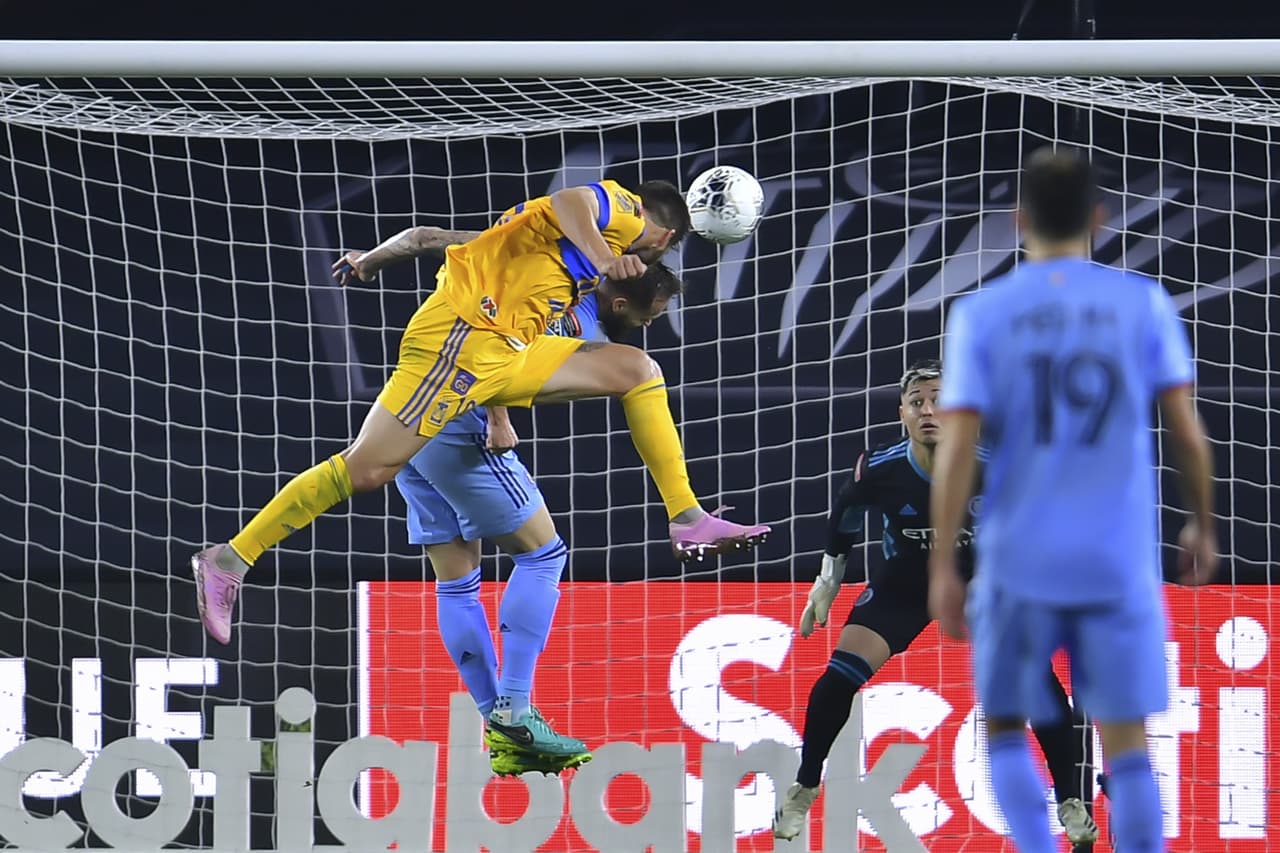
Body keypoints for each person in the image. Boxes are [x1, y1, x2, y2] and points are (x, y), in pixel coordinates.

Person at [190, 181, 770, 646]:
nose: (652, 262)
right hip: (459, 343)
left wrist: (370, 261)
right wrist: (605, 256)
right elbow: (570, 199)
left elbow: (426, 237)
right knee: (365, 471)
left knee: (637, 370)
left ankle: (686, 515)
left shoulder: (538, 244)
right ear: (664, 234)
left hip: (504, 351)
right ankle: (230, 559)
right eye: (663, 252)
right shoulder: (624, 213)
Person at [928, 147, 1217, 853]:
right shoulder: (1141, 303)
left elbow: (958, 451)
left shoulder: (982, 313)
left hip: (1019, 555)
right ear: (1099, 217)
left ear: (1019, 219)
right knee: (1125, 742)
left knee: (1004, 725)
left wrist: (942, 566)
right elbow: (1186, 431)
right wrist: (1202, 522)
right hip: (1115, 557)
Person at [344, 225, 681, 777]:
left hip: (407, 418)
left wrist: (371, 259)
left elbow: (428, 238)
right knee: (544, 556)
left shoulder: (554, 262)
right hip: (464, 421)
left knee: (457, 581)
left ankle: (499, 727)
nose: (649, 326)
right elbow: (501, 338)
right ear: (622, 304)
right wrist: (498, 418)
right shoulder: (572, 305)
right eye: (649, 317)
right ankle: (515, 710)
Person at [773, 360, 1098, 850]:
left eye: (940, 401)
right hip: (906, 584)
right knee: (839, 674)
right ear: (902, 413)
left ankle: (1070, 799)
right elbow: (845, 517)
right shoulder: (878, 469)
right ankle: (805, 785)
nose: (929, 410)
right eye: (918, 402)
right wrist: (827, 581)